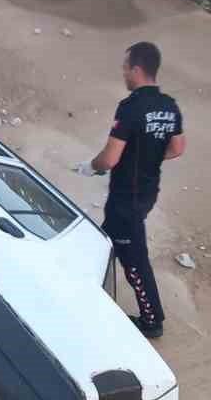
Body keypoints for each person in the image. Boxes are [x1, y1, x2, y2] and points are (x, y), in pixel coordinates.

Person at [78, 41, 185, 341]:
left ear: (137, 70)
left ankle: (152, 320)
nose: (123, 73)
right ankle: (80, 286)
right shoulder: (169, 106)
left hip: (126, 198)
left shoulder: (131, 109)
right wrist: (148, 156)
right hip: (148, 192)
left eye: (125, 68)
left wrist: (91, 166)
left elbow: (110, 159)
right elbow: (177, 148)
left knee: (133, 258)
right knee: (101, 241)